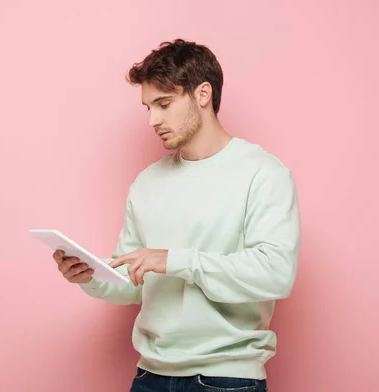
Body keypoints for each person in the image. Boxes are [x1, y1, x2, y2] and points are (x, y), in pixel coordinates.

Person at [52, 38, 300, 392]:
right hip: (149, 376)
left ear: (203, 94)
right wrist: (90, 275)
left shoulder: (263, 174)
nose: (153, 120)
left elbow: (276, 273)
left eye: (164, 104)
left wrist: (174, 260)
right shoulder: (146, 183)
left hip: (226, 378)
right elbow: (134, 282)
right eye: (148, 107)